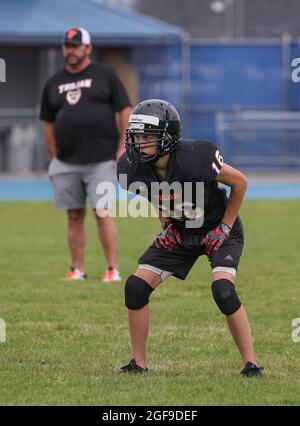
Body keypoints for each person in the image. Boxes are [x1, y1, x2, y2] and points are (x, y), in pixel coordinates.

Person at [117, 99, 263, 377]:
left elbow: (240, 182)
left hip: (218, 228)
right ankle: (138, 364)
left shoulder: (196, 156)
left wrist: (224, 226)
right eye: (137, 136)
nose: (139, 143)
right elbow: (157, 195)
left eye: (148, 137)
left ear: (169, 138)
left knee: (223, 290)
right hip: (181, 232)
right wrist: (167, 226)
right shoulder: (131, 168)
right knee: (135, 287)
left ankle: (251, 364)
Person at [40, 27, 132, 282]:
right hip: (66, 162)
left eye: (76, 46)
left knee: (102, 212)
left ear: (88, 48)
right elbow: (47, 121)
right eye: (67, 46)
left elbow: (124, 108)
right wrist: (54, 155)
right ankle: (77, 269)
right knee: (74, 215)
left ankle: (112, 269)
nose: (70, 50)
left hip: (101, 160)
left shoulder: (105, 75)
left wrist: (123, 144)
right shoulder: (54, 82)